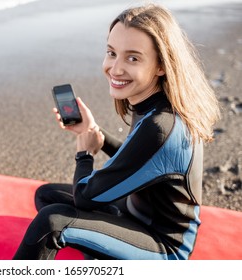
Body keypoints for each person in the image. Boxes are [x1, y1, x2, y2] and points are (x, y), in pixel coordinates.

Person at [13, 3, 220, 260]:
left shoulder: (161, 127)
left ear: (161, 65)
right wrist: (94, 132)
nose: (116, 68)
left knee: (52, 221)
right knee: (47, 195)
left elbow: (86, 199)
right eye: (112, 53)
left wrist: (85, 154)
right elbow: (140, 160)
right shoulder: (154, 102)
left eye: (132, 57)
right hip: (134, 213)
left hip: (164, 248)